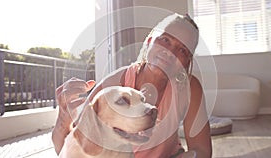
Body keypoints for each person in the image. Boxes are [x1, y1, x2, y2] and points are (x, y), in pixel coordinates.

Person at [52, 13, 212, 158]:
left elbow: (202, 150)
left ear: (186, 63)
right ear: (149, 42)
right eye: (165, 40)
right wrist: (62, 122)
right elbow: (71, 148)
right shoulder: (114, 84)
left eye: (183, 50)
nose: (170, 52)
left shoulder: (190, 88)